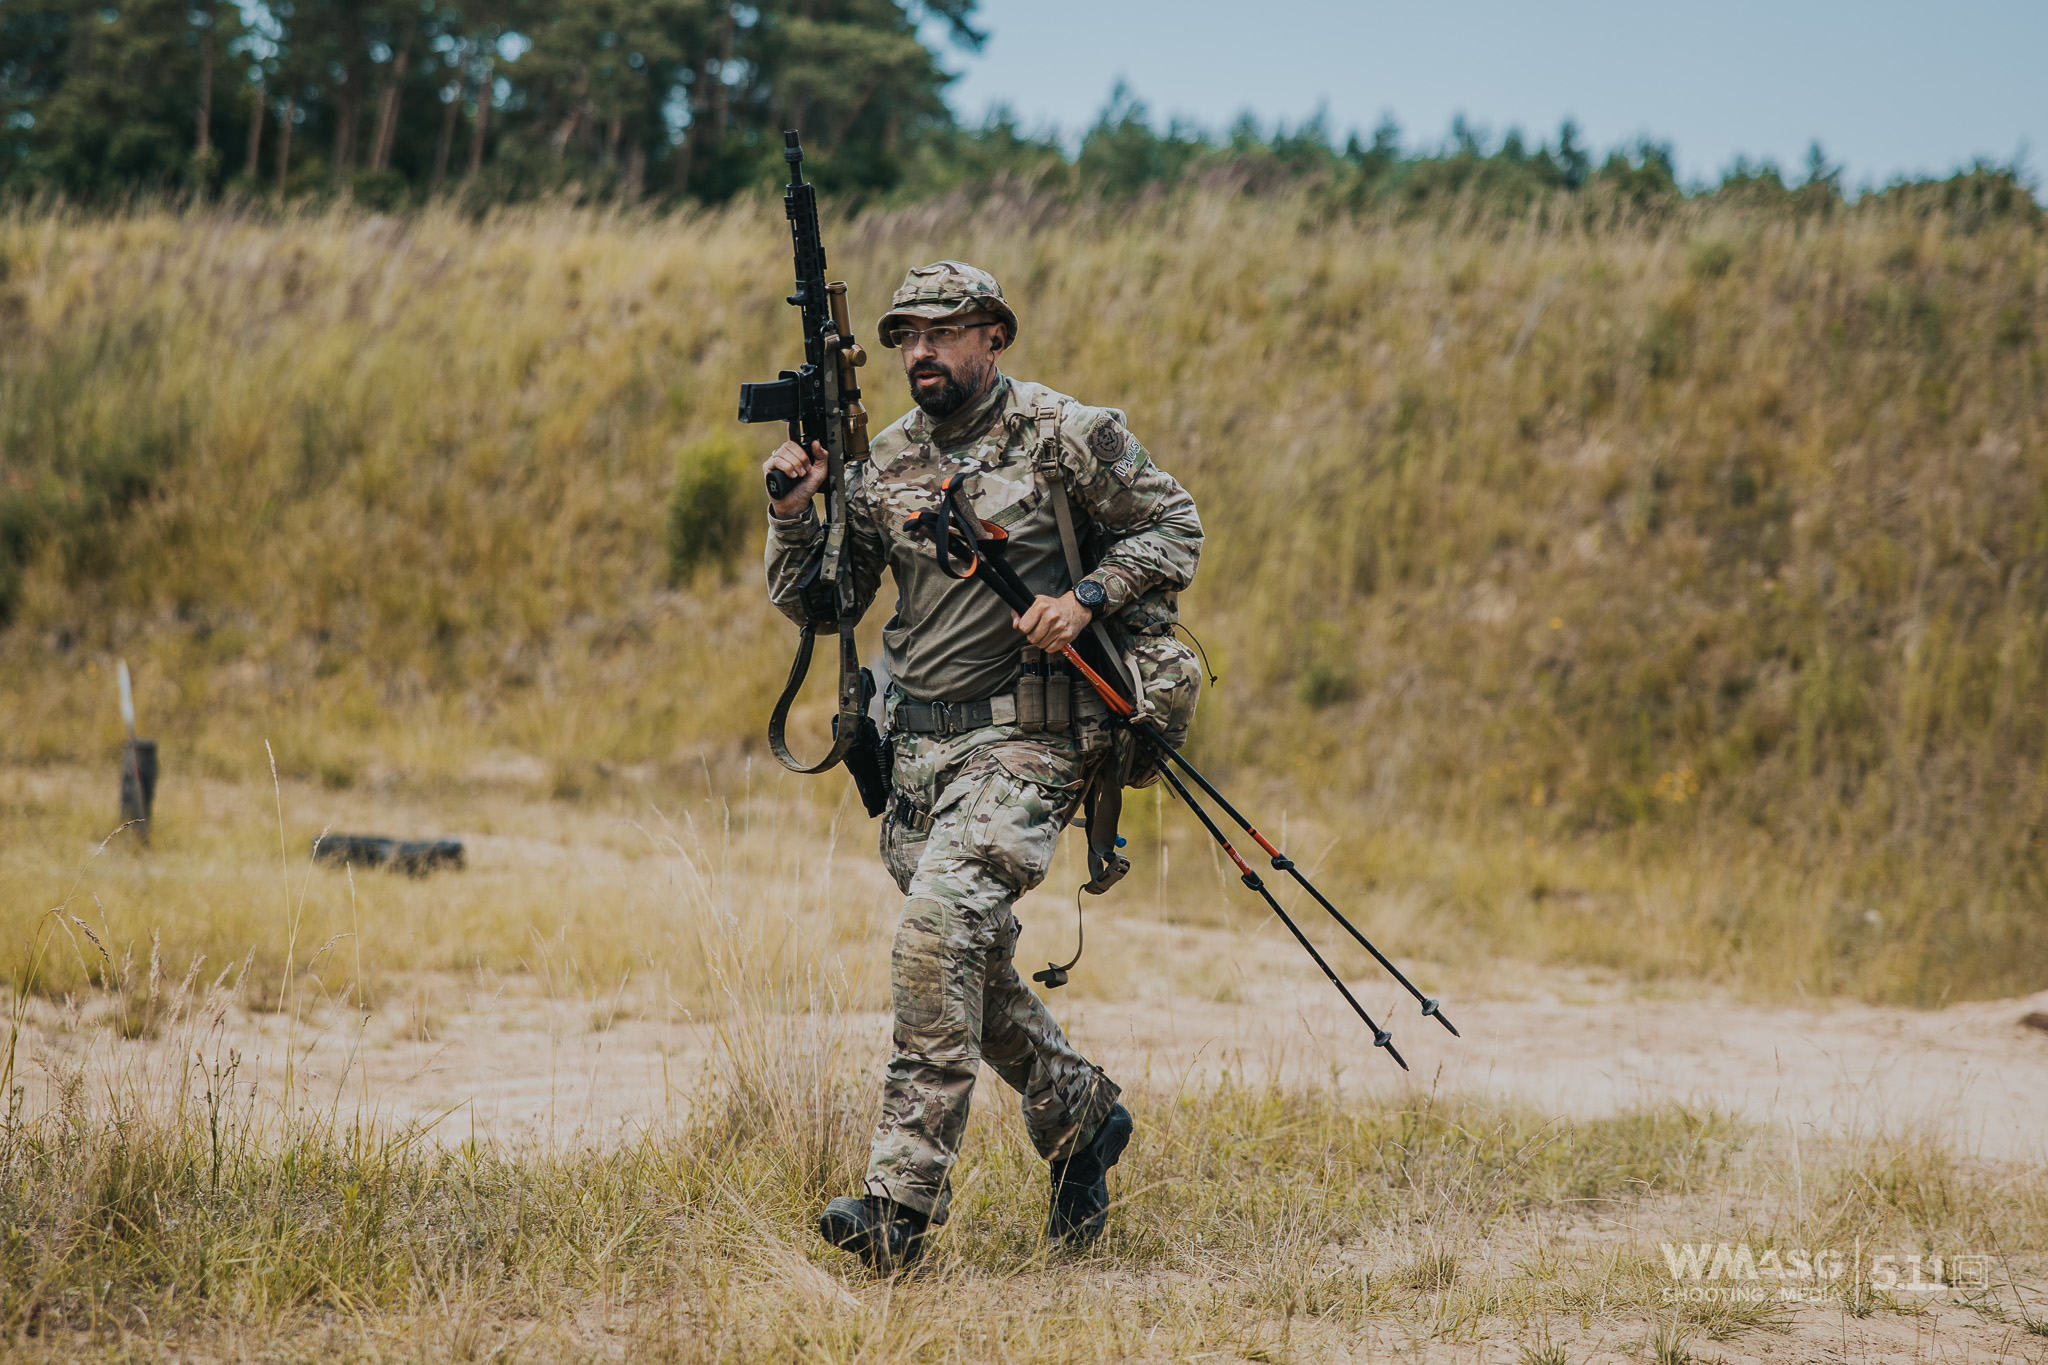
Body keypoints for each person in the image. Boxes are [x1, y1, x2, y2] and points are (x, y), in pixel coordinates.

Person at [761, 260, 1203, 1269]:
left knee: (935, 930)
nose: (923, 350)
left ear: (991, 335)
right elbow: (830, 608)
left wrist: (1085, 597)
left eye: (944, 331)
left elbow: (1175, 525)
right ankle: (1080, 1112)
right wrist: (794, 512)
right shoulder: (885, 464)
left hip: (1033, 738)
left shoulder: (1064, 433)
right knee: (962, 959)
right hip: (919, 751)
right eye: (906, 336)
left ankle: (897, 1204)